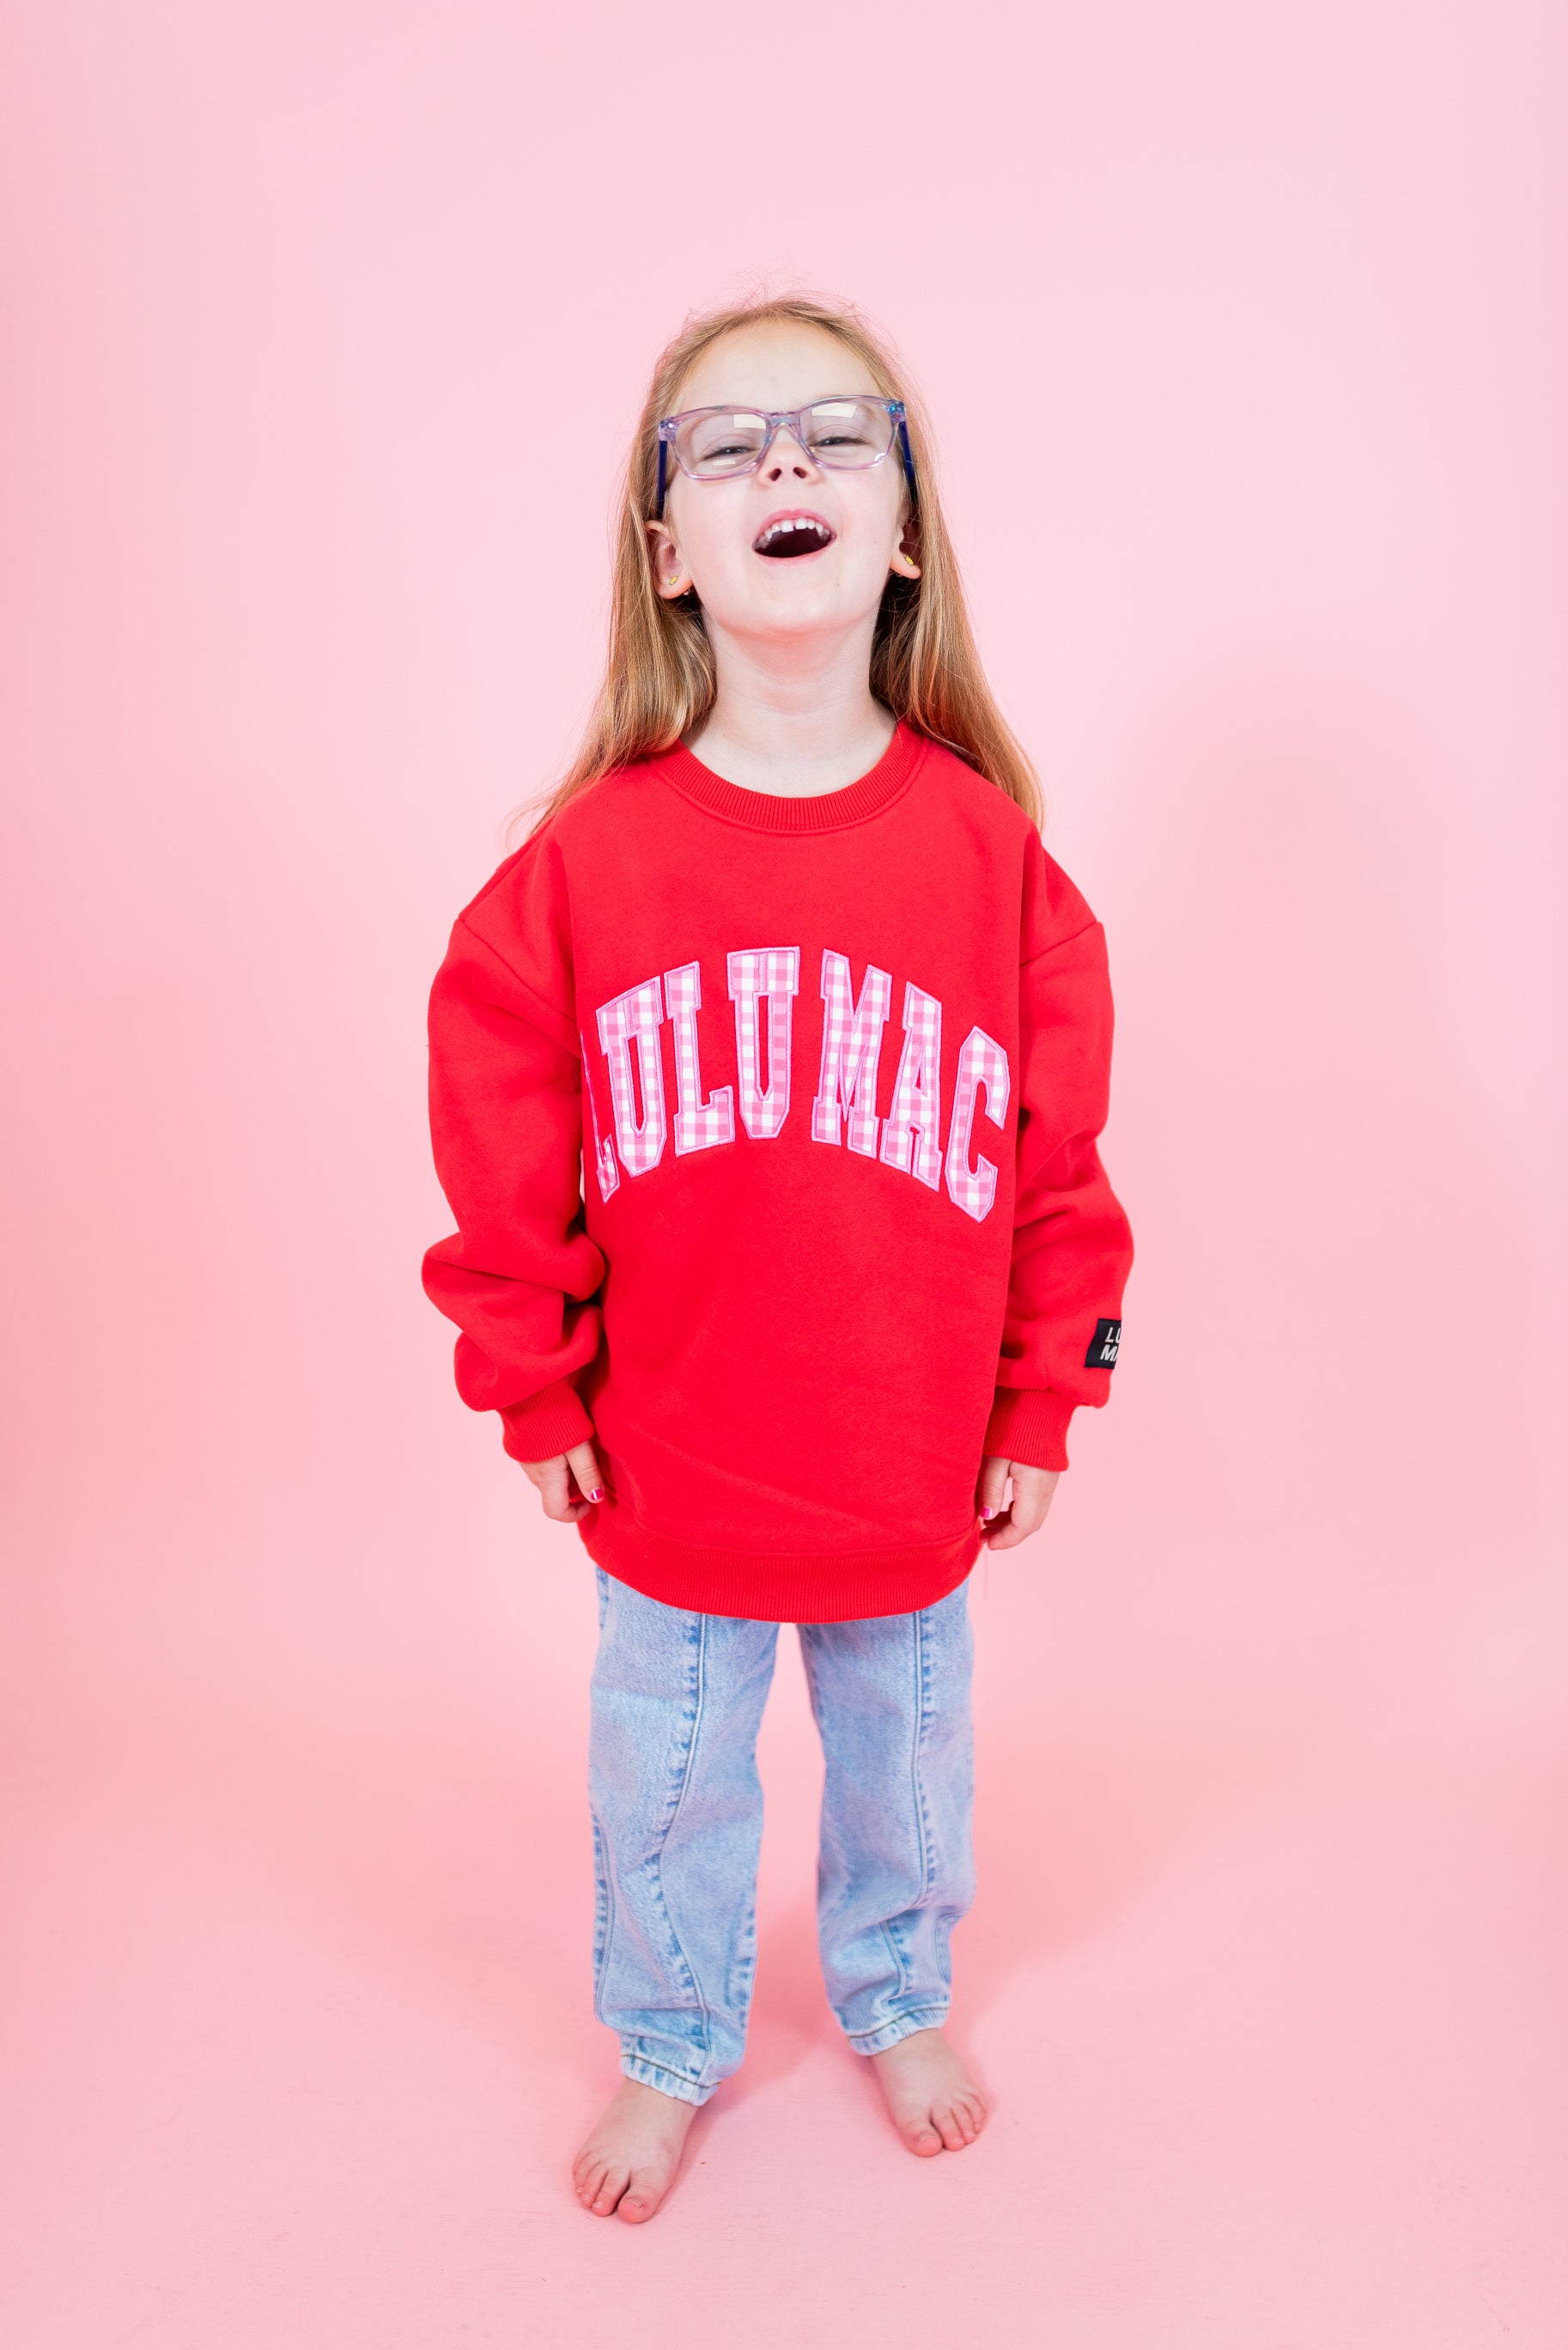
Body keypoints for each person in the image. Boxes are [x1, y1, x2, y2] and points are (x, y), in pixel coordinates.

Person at [422, 294, 1133, 2225]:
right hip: (672, 1472)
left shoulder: (993, 863)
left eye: (836, 433)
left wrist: (1044, 1402)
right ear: (670, 552)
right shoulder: (586, 865)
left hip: (906, 1468)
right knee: (663, 1784)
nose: (786, 464)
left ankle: (896, 1993)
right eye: (727, 445)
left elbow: (1061, 1175)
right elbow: (499, 1141)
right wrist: (532, 1388)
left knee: (907, 1769)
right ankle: (669, 2041)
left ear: (903, 527)